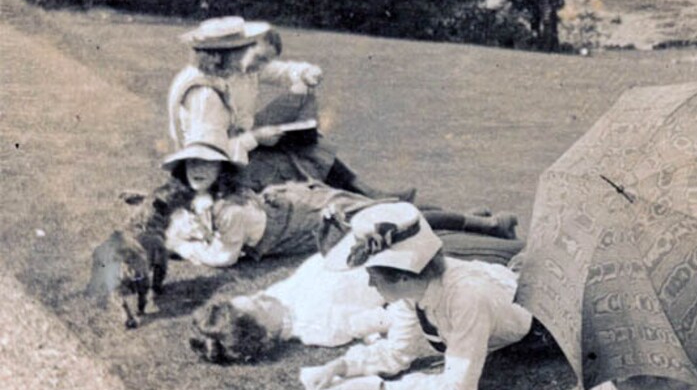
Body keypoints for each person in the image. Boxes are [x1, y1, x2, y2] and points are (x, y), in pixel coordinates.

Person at [299, 202, 534, 390]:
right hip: (506, 278)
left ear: (403, 276)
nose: (370, 284)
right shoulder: (413, 290)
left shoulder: (467, 297)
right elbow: (397, 353)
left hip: (537, 322)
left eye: (374, 276)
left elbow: (459, 387)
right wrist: (340, 367)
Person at [162, 136, 518, 269]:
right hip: (291, 201)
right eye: (191, 164)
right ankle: (474, 218)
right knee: (390, 212)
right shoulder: (205, 198)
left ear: (221, 168)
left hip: (305, 217)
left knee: (394, 218)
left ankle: (487, 226)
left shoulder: (229, 210)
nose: (197, 170)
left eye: (206, 163)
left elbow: (223, 258)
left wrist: (183, 247)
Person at [188, 230, 525, 364]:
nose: (261, 295)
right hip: (411, 269)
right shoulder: (317, 327)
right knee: (520, 260)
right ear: (266, 333)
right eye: (258, 305)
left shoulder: (278, 297)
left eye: (252, 296)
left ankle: (487, 224)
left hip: (391, 250)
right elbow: (378, 320)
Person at [167, 15, 411, 198]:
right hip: (221, 172)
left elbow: (279, 71)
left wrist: (305, 73)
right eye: (241, 48)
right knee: (299, 160)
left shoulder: (226, 72)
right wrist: (256, 138)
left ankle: (364, 194)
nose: (245, 53)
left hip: (236, 147)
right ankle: (363, 199)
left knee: (306, 143)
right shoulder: (204, 96)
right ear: (221, 54)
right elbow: (208, 155)